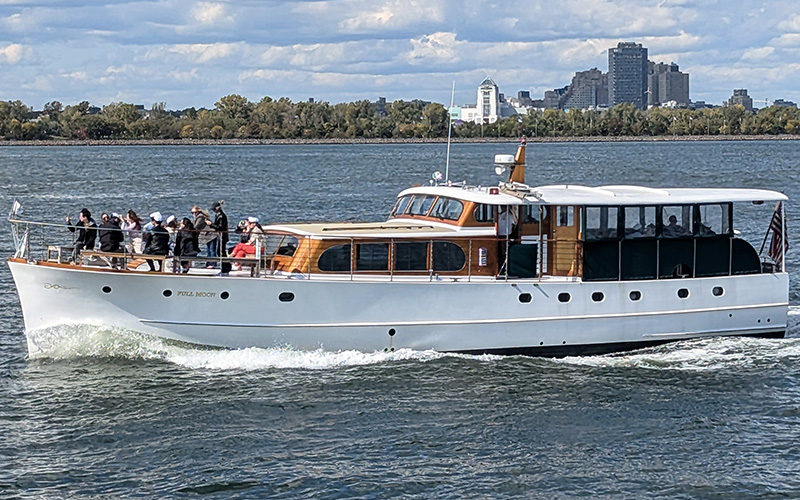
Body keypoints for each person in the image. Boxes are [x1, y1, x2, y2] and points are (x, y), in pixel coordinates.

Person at [209, 201, 230, 275]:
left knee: (221, 252)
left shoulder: (221, 216)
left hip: (222, 236)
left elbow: (220, 227)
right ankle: (225, 267)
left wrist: (211, 224)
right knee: (220, 252)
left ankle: (226, 268)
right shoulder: (219, 215)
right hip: (221, 236)